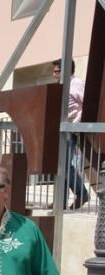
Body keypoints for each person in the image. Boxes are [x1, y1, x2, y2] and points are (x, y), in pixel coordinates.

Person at [53, 59, 90, 209]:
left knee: (64, 164)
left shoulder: (76, 84)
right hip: (62, 129)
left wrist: (75, 123)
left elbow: (86, 104)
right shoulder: (61, 86)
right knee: (60, 165)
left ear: (66, 70)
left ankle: (81, 193)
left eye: (57, 71)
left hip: (70, 129)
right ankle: (60, 200)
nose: (54, 74)